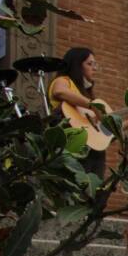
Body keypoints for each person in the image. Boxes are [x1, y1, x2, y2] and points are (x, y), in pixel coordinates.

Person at [48, 47, 106, 177]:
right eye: (89, 64)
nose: (94, 68)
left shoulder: (87, 95)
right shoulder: (64, 80)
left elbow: (106, 132)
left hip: (91, 151)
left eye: (95, 64)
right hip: (71, 146)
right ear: (77, 65)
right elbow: (59, 91)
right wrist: (92, 106)